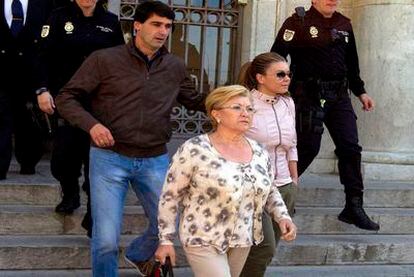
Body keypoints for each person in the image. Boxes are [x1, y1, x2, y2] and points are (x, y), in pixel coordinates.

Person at [55, 1, 205, 276]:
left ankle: (137, 254)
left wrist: (238, 100)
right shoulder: (105, 59)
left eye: (168, 27)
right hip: (109, 159)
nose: (162, 32)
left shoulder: (175, 67)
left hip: (155, 159)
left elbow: (197, 101)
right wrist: (92, 125)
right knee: (106, 242)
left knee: (169, 225)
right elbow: (66, 97)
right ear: (137, 25)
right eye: (156, 24)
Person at [154, 85, 297, 277]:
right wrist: (166, 240)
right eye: (237, 107)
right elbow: (170, 196)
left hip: (242, 239)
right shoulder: (195, 149)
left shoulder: (259, 151)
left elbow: (269, 189)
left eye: (249, 108)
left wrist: (282, 216)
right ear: (217, 114)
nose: (245, 113)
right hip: (202, 236)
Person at [271, 0, 379, 231]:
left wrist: (361, 91)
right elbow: (276, 58)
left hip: (339, 96)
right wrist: (276, 88)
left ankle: (353, 205)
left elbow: (352, 63)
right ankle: (279, 195)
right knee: (308, 147)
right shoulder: (297, 22)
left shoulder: (344, 23)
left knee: (350, 147)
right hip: (307, 94)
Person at [35, 0, 124, 237]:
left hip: (98, 103)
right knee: (63, 157)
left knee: (95, 158)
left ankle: (94, 217)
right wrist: (42, 89)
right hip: (66, 99)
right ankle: (70, 191)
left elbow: (120, 61)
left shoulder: (110, 22)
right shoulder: (58, 16)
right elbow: (42, 56)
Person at [236, 52, 297, 276]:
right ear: (260, 78)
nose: (286, 78)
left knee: (267, 252)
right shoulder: (244, 104)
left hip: (285, 186)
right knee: (263, 249)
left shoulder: (288, 103)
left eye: (288, 74)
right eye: (280, 74)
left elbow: (293, 144)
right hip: (254, 187)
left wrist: (294, 180)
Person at [0, 0, 58, 180]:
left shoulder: (46, 4)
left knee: (28, 119)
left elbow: (51, 40)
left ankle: (28, 161)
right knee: (1, 119)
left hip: (32, 71)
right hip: (1, 72)